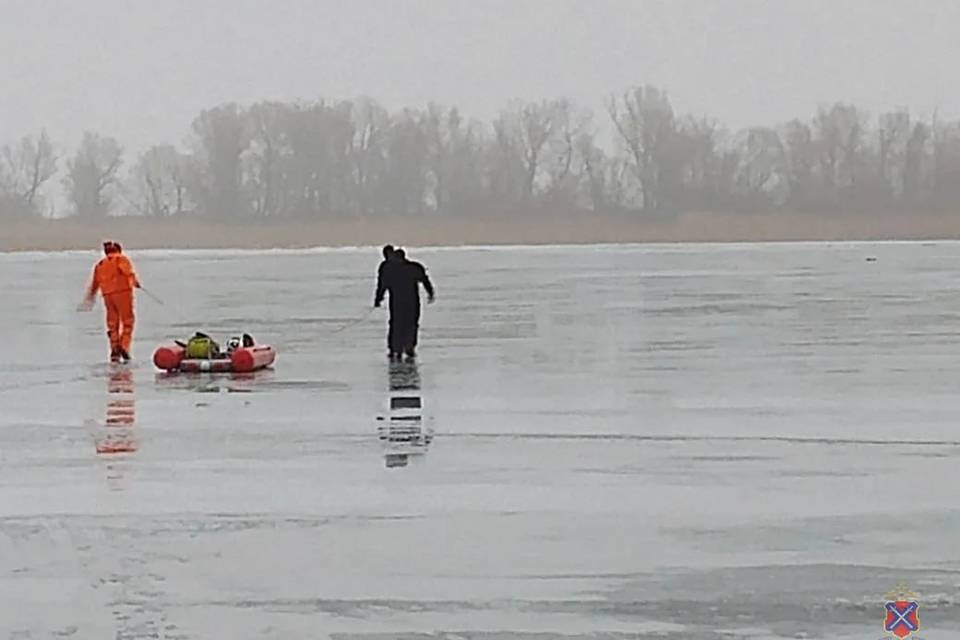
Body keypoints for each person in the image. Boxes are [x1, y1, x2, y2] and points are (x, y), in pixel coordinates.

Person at [79, 240, 141, 363]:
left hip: (107, 296)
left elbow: (94, 284)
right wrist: (135, 282)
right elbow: (127, 272)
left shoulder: (100, 264)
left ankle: (114, 349)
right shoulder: (120, 259)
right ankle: (124, 346)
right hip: (123, 293)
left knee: (112, 324)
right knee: (128, 322)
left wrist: (89, 298)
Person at [374, 247, 435, 361]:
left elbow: (382, 285)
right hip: (412, 302)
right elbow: (425, 281)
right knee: (411, 324)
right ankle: (408, 347)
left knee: (396, 324)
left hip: (397, 302)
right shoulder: (414, 267)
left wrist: (378, 298)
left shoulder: (389, 269)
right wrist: (430, 293)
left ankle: (395, 349)